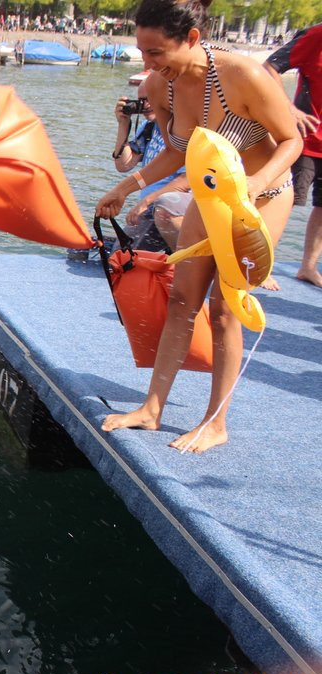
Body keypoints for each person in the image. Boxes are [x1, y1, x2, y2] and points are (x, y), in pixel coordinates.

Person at [95, 0, 301, 453]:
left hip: (262, 197)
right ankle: (151, 408)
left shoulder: (242, 75)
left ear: (191, 39)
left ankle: (216, 422)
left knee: (226, 307)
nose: (147, 65)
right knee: (183, 299)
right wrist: (127, 187)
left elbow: (293, 140)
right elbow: (177, 153)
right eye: (142, 52)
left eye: (157, 53)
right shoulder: (159, 85)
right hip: (209, 199)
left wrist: (255, 182)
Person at [264, 25, 322, 288]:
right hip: (306, 139)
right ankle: (260, 266)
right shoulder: (316, 36)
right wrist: (289, 109)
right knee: (283, 199)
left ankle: (307, 267)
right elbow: (270, 66)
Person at [112, 86, 191, 251]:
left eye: (150, 99)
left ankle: (187, 264)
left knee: (164, 208)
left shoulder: (185, 130)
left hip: (173, 210)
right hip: (148, 211)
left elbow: (187, 181)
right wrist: (123, 125)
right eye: (141, 101)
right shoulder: (149, 127)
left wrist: (147, 202)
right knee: (121, 256)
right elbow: (123, 165)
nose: (145, 105)